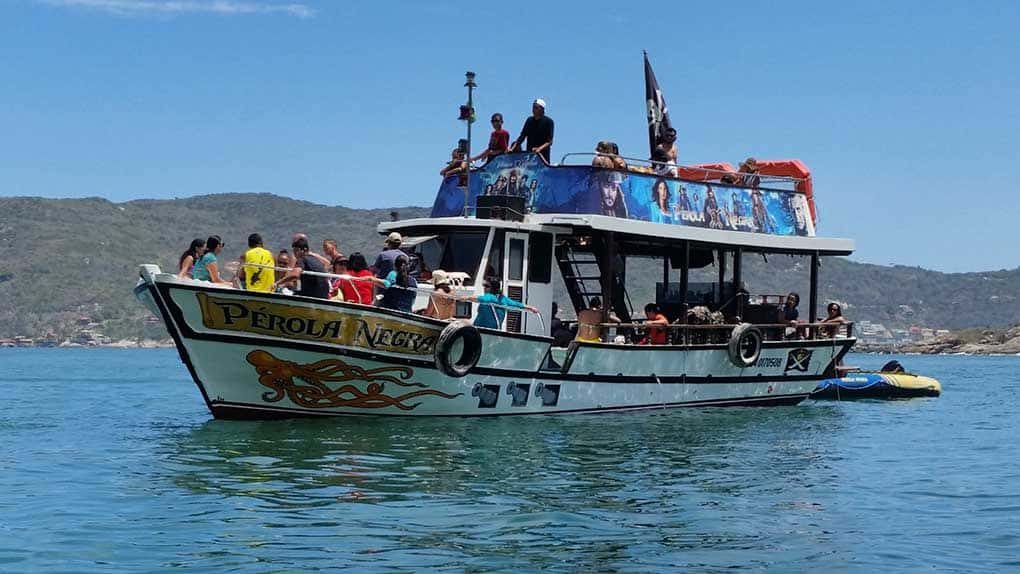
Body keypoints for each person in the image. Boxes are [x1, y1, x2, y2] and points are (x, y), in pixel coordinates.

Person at [466, 277, 538, 330]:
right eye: (484, 286)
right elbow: (517, 304)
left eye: (487, 286)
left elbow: (481, 298)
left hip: (481, 331)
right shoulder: (503, 299)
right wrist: (531, 308)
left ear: (493, 288)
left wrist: (464, 298)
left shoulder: (490, 297)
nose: (484, 288)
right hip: (494, 331)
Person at [509, 98, 554, 163]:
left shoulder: (549, 122)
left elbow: (549, 142)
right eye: (533, 107)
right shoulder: (529, 120)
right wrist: (512, 148)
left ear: (542, 109)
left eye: (536, 108)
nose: (533, 110)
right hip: (530, 158)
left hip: (543, 158)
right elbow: (522, 136)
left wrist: (539, 149)